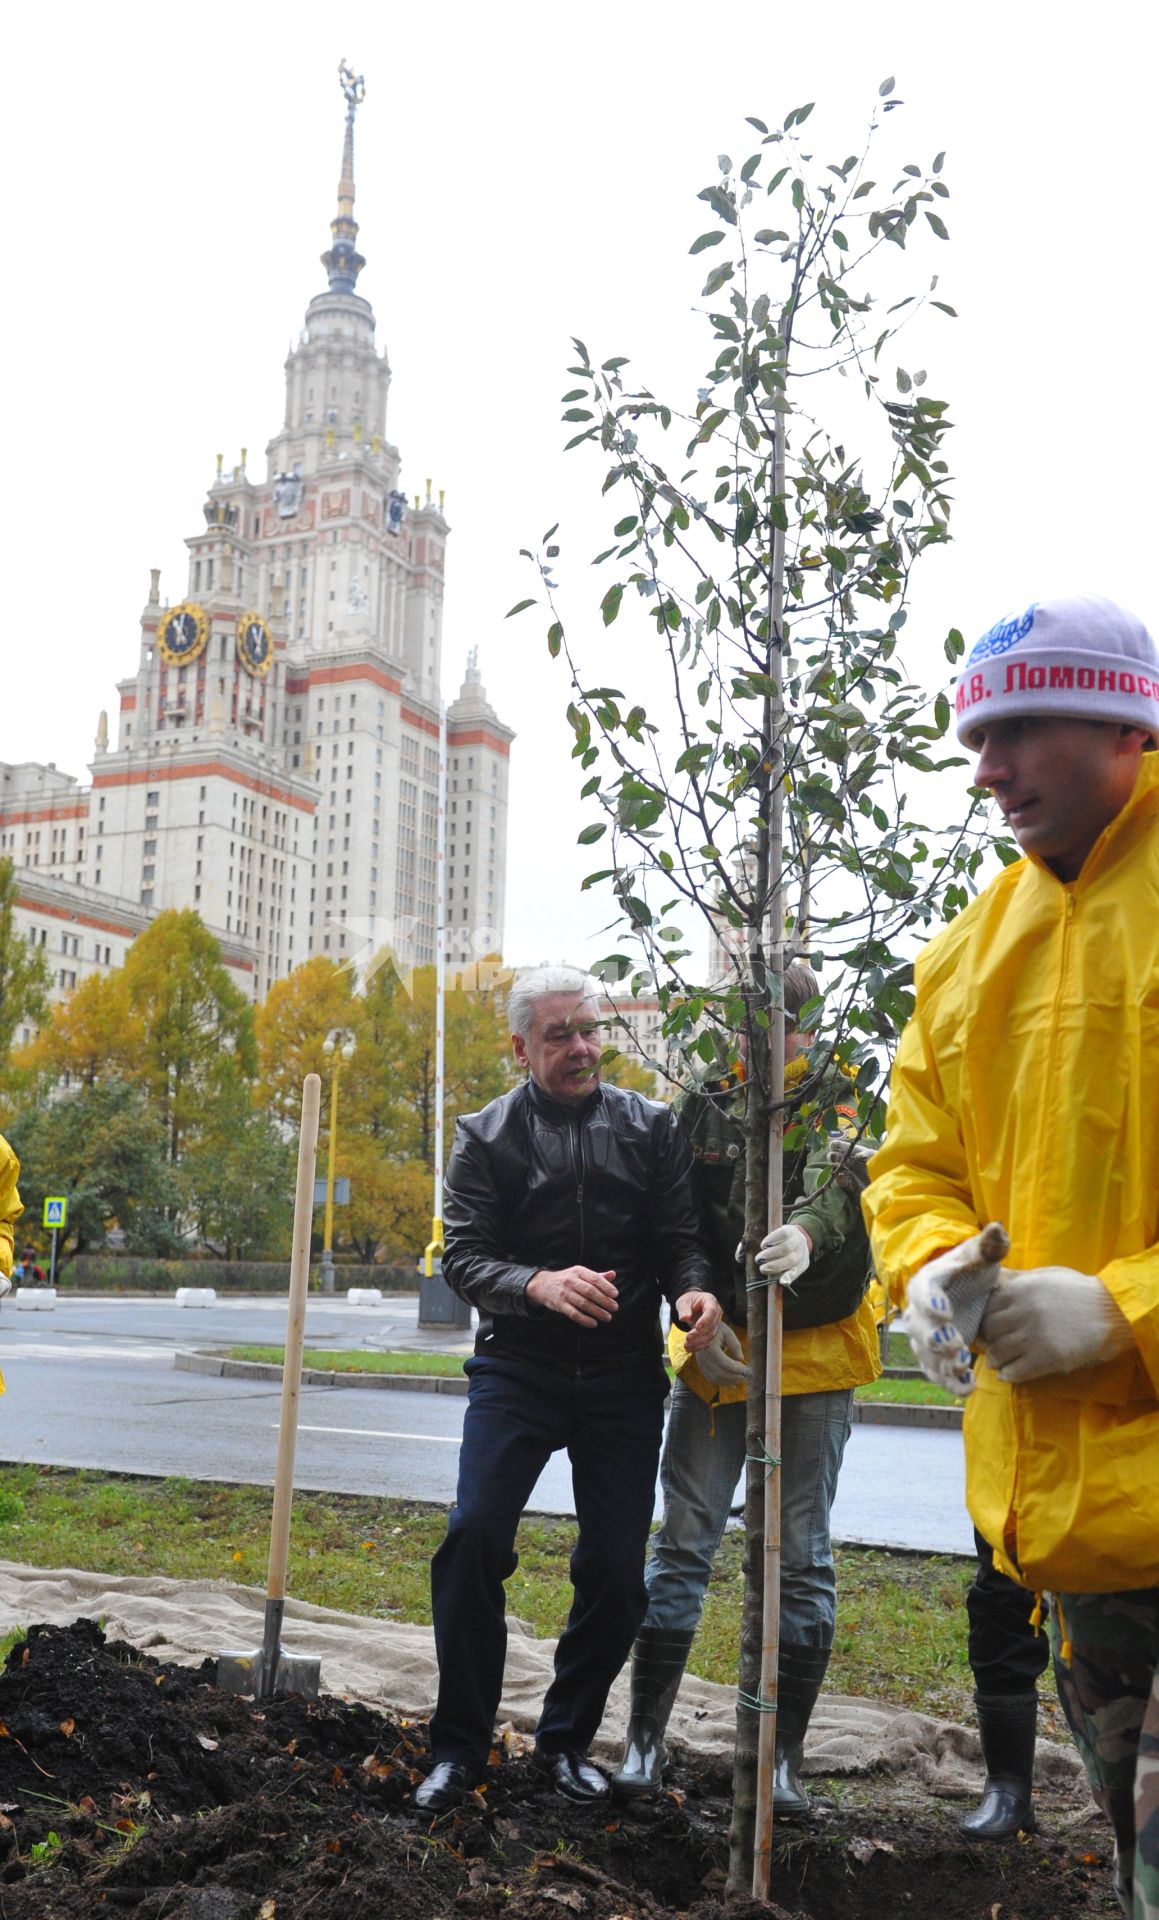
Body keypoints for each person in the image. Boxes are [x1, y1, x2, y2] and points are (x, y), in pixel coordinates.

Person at [864, 596, 1159, 1916]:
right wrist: (926, 1269)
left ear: (1120, 724)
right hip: (1074, 1542)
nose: (981, 770)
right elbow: (912, 1166)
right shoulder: (964, 955)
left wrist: (1122, 1312)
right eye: (972, 737)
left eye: (1013, 730)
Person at [413, 965, 723, 1815]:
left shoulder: (649, 1127)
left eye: (591, 1030)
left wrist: (694, 1294)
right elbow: (463, 1257)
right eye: (560, 1036)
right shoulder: (484, 1137)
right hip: (518, 1368)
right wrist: (537, 1284)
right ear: (519, 1047)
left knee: (619, 1572)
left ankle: (563, 1743)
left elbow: (680, 1241)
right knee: (472, 1537)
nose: (583, 1048)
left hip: (622, 1375)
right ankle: (458, 1747)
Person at [613, 961, 881, 1813]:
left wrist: (801, 1233)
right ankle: (643, 1743)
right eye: (742, 1030)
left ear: (805, 1028)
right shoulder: (709, 1099)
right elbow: (681, 1220)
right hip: (719, 1350)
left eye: (775, 1029)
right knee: (683, 1543)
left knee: (799, 1557)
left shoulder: (842, 1094)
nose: (757, 1046)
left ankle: (778, 1763)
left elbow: (836, 1186)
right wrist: (698, 1309)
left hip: (814, 1353)